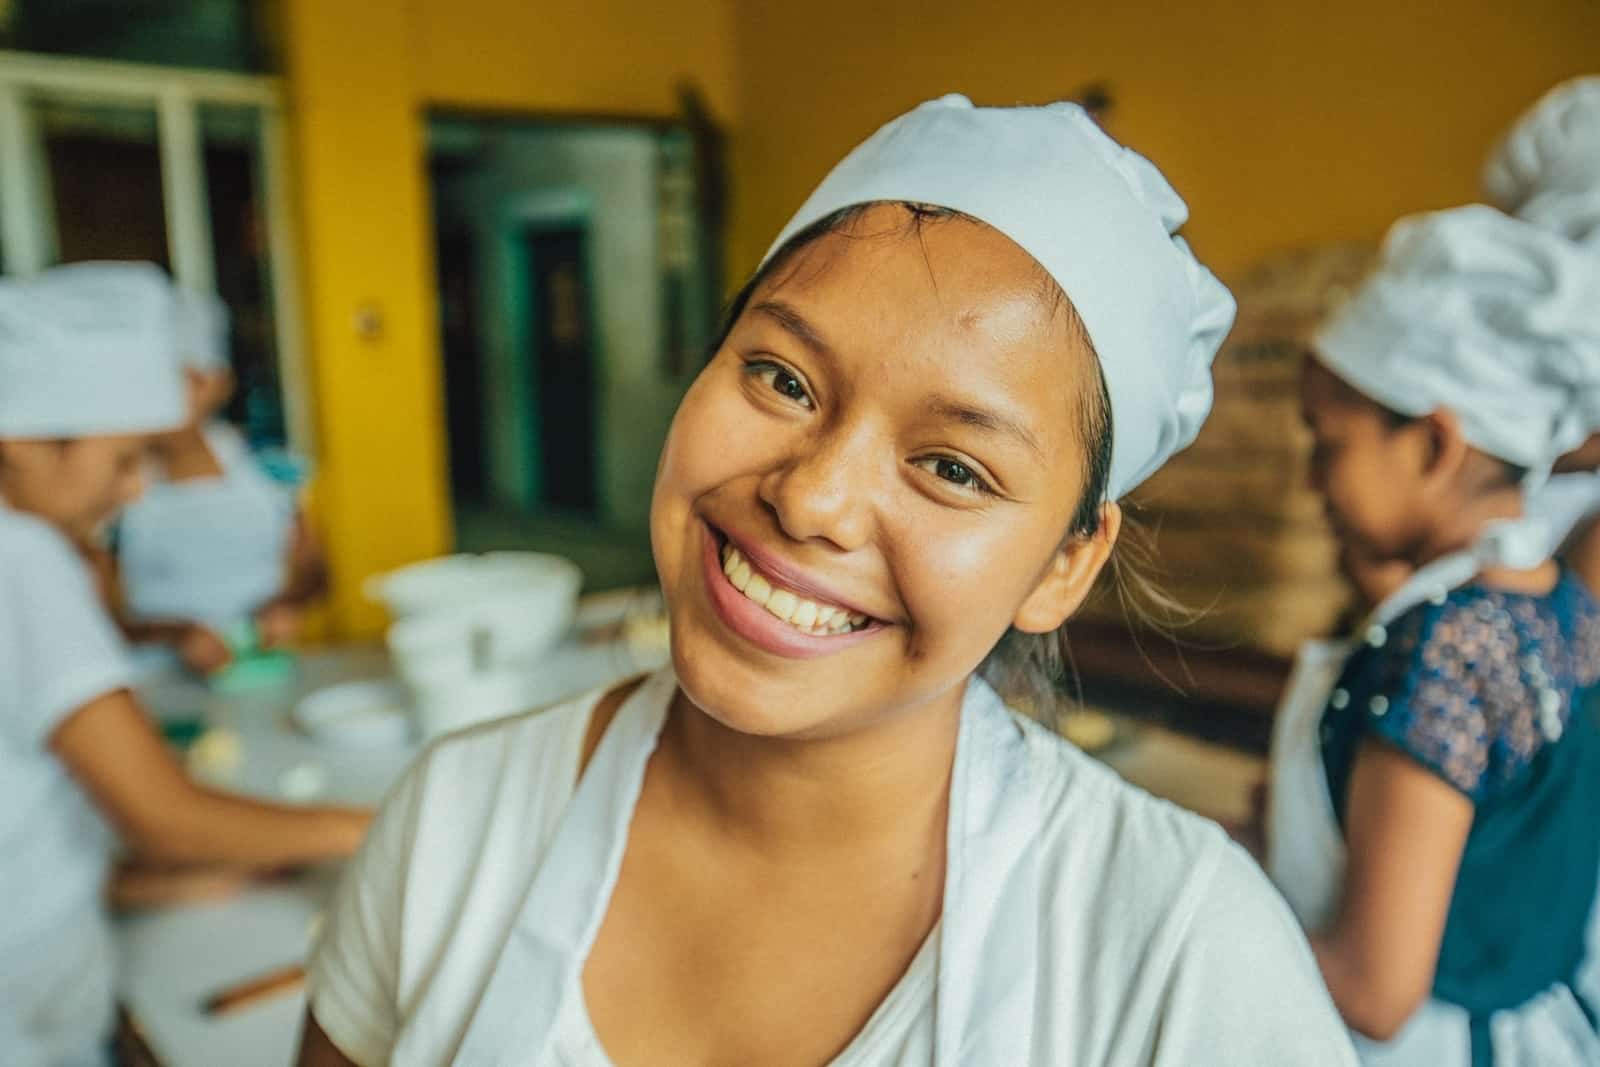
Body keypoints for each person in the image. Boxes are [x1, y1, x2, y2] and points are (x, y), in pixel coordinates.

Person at [297, 95, 1356, 1067]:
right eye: (781, 377)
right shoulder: (454, 822)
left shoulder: (1184, 962)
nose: (811, 500)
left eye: (952, 467)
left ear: (1065, 564)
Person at [0, 262, 371, 1066]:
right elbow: (158, 811)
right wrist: (372, 828)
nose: (134, 490)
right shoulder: (23, 559)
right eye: (122, 458)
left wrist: (173, 875)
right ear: (26, 441)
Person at [1267, 205, 1600, 1064]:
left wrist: (1194, 909)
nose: (1312, 478)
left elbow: (1374, 990)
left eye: (1327, 442)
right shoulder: (1563, 606)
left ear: (1434, 445)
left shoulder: (1448, 651)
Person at [112, 288, 328, 676]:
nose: (154, 402)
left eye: (176, 382)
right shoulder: (113, 485)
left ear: (216, 384)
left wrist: (286, 603)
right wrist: (174, 635)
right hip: (155, 683)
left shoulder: (268, 467)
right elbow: (92, 611)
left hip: (260, 672)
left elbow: (314, 570)